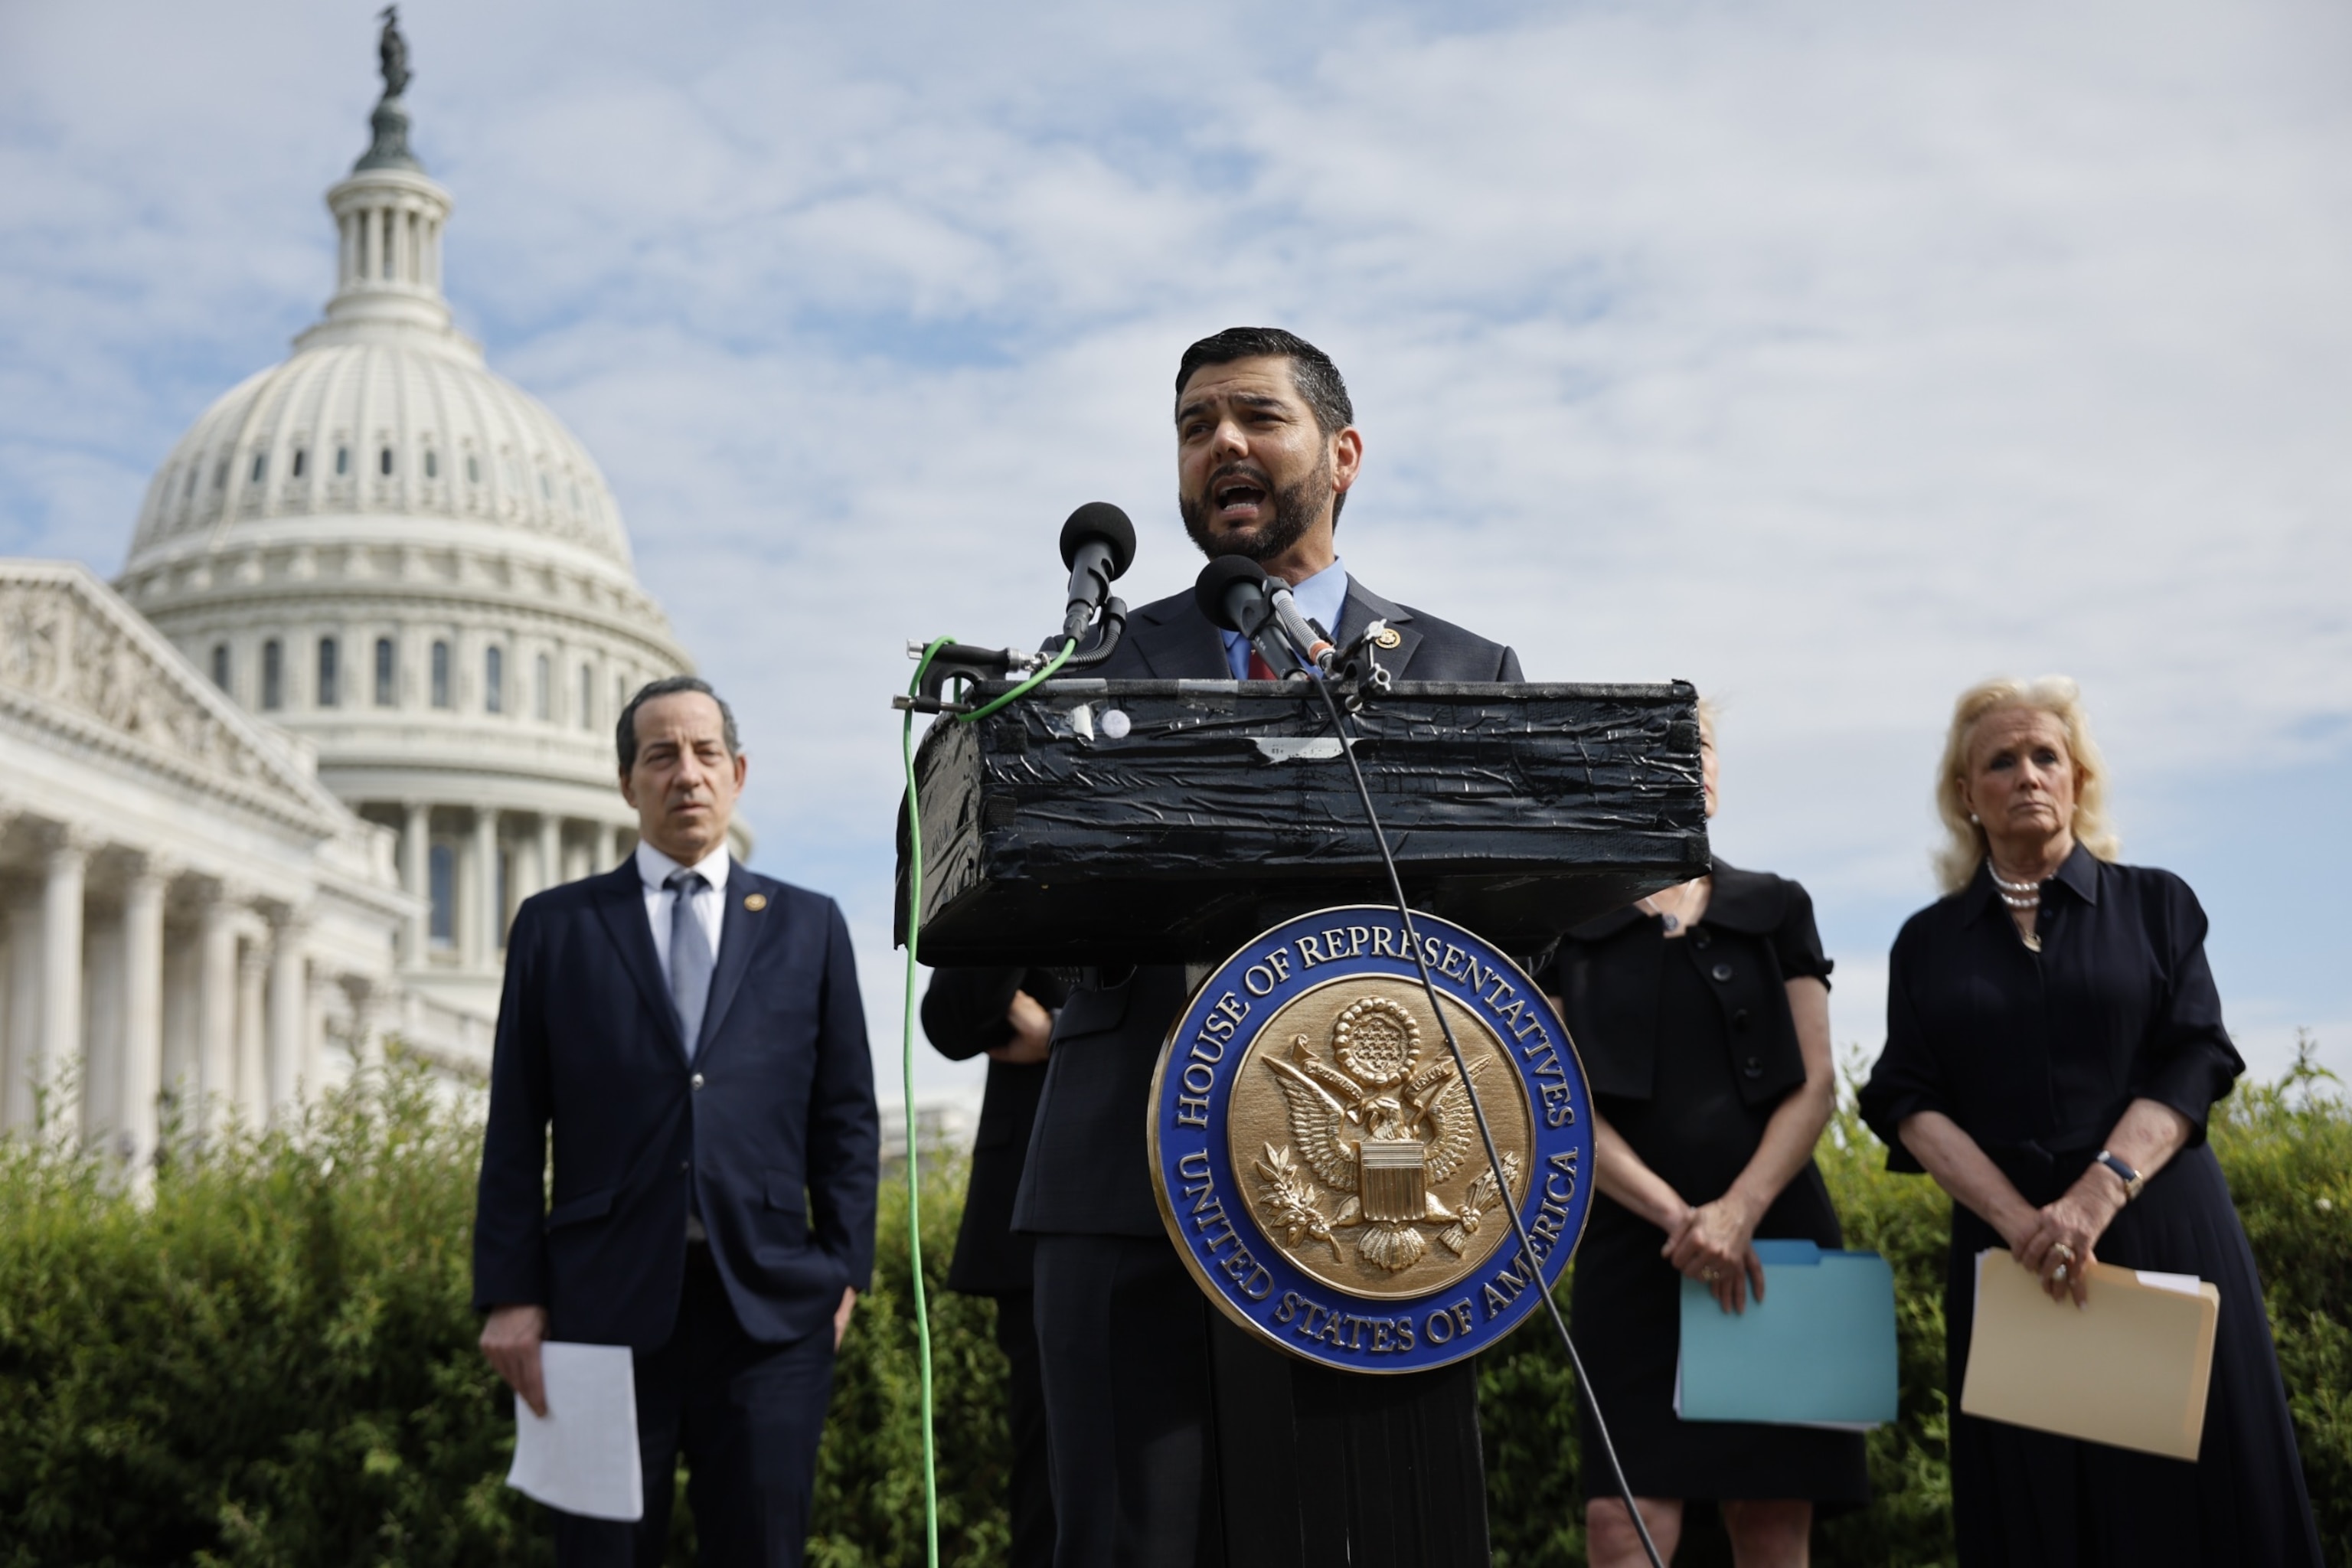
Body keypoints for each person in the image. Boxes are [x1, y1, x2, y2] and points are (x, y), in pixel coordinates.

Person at [1008, 326, 1524, 1568]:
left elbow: (1515, 943)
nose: (1220, 445)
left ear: (1340, 453)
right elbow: (1008, 925)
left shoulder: (1461, 670)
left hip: (1379, 1202)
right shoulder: (1093, 667)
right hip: (1122, 1191)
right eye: (1194, 427)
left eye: (1254, 416)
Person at [1858, 676, 2321, 1567]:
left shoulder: (2160, 905)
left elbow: (2195, 1057)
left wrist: (2092, 1197)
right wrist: (2023, 1223)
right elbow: (1905, 1097)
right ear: (1966, 795)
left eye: (2047, 755)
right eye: (2001, 759)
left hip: (2164, 1230)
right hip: (2015, 1258)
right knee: (2041, 1511)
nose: (2028, 773)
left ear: (2079, 780)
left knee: (2206, 1506)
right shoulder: (1927, 942)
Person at [473, 676, 880, 1568]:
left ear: (737, 773)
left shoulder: (810, 926)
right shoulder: (555, 928)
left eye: (704, 754)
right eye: (661, 755)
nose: (685, 774)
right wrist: (510, 1291)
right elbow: (515, 1123)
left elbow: (846, 1114)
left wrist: (844, 1270)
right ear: (628, 783)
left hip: (771, 1310)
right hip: (595, 1307)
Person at [1539, 704, 1865, 1566]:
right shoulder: (1564, 923)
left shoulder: (1778, 904)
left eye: (1702, 746)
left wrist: (1736, 1213)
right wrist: (1682, 1218)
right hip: (1632, 1250)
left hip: (1775, 1241)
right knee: (1624, 1522)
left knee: (1769, 1520)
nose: (1689, 765)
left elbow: (1817, 1079)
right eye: (1662, 750)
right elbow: (1557, 1102)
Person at [920, 967, 1069, 1567]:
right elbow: (949, 1021)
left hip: (1191, 1177)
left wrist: (1063, 1029)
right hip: (1039, 1207)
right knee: (1049, 1468)